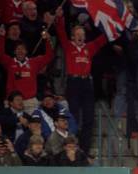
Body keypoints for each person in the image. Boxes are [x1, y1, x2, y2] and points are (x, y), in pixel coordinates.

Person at [55, 7, 107, 155]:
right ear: (73, 36)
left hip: (87, 84)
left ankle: (83, 150)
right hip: (73, 83)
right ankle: (73, 147)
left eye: (82, 34)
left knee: (89, 118)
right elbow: (60, 32)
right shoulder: (68, 46)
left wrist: (111, 25)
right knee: (74, 117)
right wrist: (59, 18)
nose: (80, 37)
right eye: (77, 34)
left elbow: (104, 39)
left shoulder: (89, 48)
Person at [0, 26, 53, 114]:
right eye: (18, 49)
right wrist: (2, 37)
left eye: (22, 49)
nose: (20, 51)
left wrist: (47, 40)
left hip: (30, 101)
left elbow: (49, 56)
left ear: (26, 51)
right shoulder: (10, 63)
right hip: (13, 102)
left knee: (35, 124)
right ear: (14, 52)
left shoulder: (34, 62)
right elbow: (0, 54)